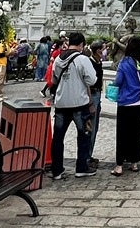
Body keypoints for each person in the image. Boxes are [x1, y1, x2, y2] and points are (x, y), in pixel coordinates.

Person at [50, 32, 97, 180]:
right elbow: (92, 80)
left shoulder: (58, 59)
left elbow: (54, 79)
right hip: (79, 103)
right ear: (82, 45)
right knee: (84, 135)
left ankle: (57, 170)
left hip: (61, 104)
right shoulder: (83, 59)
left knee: (58, 137)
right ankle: (81, 167)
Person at [111, 36, 140, 177]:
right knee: (136, 134)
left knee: (123, 134)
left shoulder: (124, 63)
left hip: (125, 102)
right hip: (138, 102)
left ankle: (119, 166)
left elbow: (118, 81)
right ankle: (134, 163)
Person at [86, 40, 106, 168]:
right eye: (100, 49)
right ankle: (86, 157)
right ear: (95, 50)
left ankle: (89, 154)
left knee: (95, 127)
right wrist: (90, 102)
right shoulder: (90, 62)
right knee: (90, 127)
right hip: (92, 95)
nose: (103, 51)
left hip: (97, 94)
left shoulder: (98, 62)